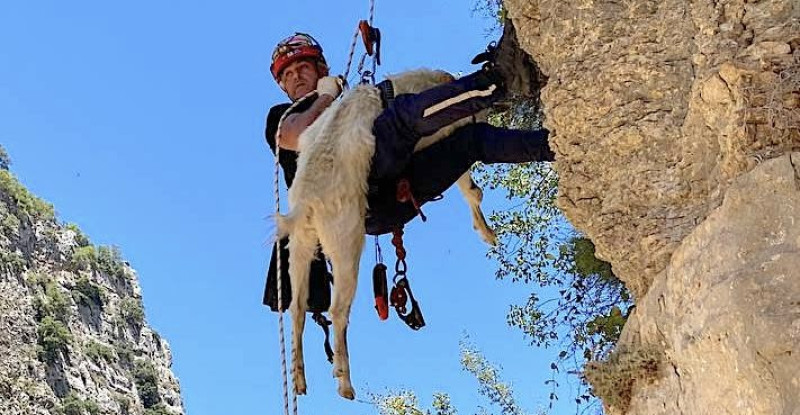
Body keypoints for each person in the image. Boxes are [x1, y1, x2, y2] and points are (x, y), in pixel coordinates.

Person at [263, 32, 554, 311]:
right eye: (287, 75)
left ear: (321, 69)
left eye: (302, 68)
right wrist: (326, 96)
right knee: (402, 118)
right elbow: (298, 136)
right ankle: (498, 80)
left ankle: (555, 145)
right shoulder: (284, 116)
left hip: (388, 193)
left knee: (471, 142)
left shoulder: (347, 107)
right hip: (357, 194)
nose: (296, 77)